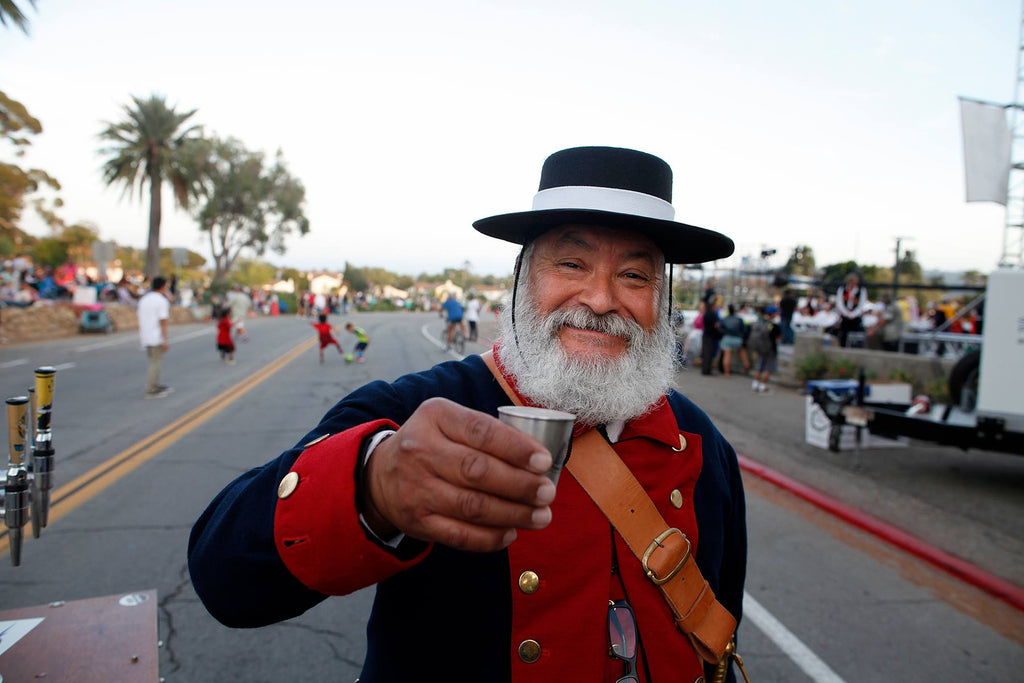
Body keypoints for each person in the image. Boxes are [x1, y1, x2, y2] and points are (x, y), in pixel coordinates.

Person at [188, 146, 747, 683]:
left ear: (662, 298)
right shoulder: (414, 413)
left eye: (634, 275)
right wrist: (373, 490)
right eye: (572, 263)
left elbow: (719, 633)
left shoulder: (700, 441)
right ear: (523, 277)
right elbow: (227, 581)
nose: (600, 299)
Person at [138, 276, 172, 399]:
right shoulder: (161, 301)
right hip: (155, 336)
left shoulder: (144, 299)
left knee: (154, 360)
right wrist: (164, 339)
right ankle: (150, 389)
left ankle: (156, 384)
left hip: (145, 335)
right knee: (155, 362)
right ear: (163, 286)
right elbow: (163, 321)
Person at [748, 305, 782, 392]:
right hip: (771, 348)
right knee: (768, 367)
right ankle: (763, 385)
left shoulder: (760, 323)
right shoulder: (774, 325)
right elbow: (779, 337)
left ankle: (755, 383)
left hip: (760, 348)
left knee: (759, 366)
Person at [835, 271, 868, 347]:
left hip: (856, 316)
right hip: (844, 315)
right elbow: (839, 302)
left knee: (856, 336)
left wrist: (853, 314)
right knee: (843, 334)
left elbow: (861, 304)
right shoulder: (842, 289)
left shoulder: (861, 290)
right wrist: (846, 313)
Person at [717, 304, 746, 378]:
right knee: (742, 353)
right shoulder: (739, 319)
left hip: (727, 338)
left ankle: (727, 373)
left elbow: (720, 330)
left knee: (727, 356)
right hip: (737, 338)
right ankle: (747, 367)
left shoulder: (724, 319)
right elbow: (743, 330)